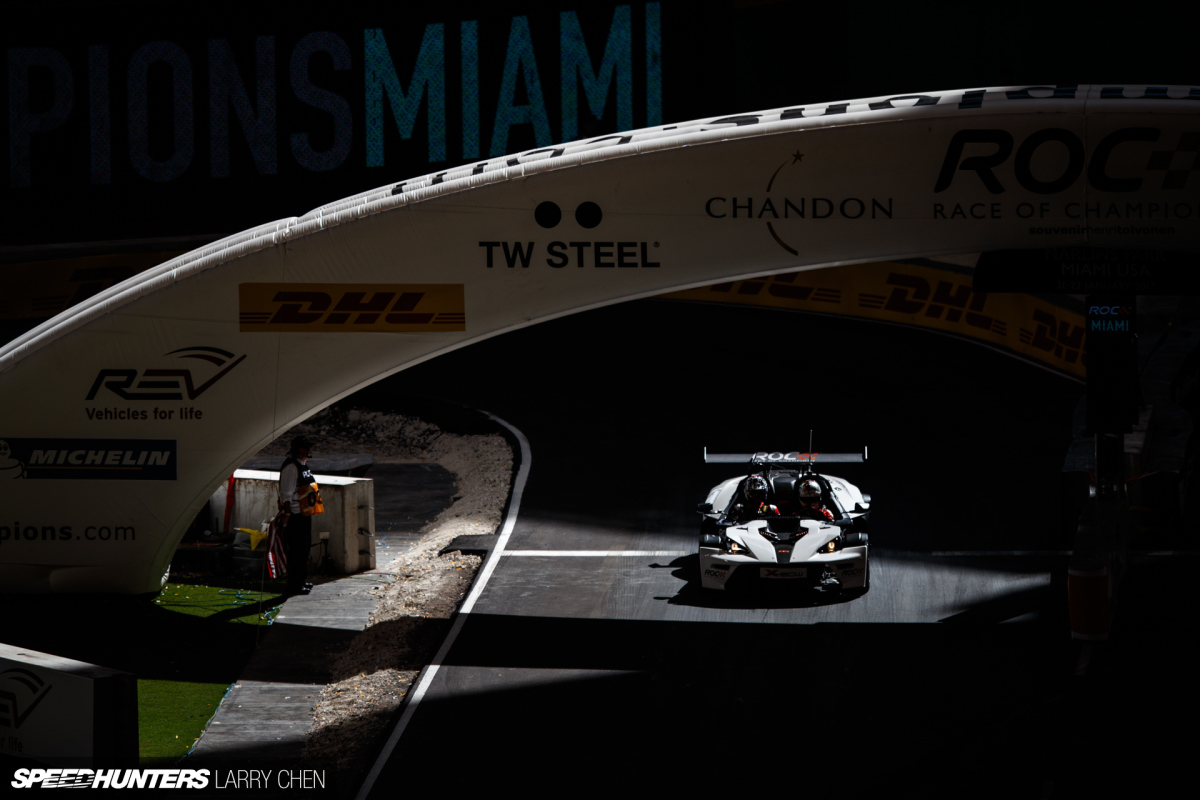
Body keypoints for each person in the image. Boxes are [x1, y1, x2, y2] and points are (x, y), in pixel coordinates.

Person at [278, 435, 316, 594]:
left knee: (304, 550)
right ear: (298, 449)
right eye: (305, 447)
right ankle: (294, 585)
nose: (308, 450)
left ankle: (301, 581)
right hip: (295, 516)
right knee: (296, 552)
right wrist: (287, 514)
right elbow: (286, 494)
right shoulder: (291, 467)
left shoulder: (302, 465)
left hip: (304, 514)